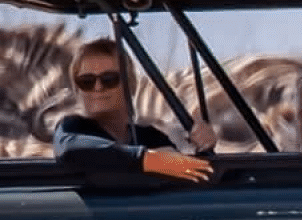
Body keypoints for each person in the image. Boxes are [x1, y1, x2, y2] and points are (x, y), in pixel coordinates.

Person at [53, 38, 215, 182]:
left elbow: (179, 173)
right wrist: (148, 160)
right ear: (77, 90)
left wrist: (203, 145)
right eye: (86, 81)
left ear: (130, 84)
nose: (98, 87)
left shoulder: (150, 136)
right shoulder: (72, 128)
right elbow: (71, 149)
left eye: (109, 79)